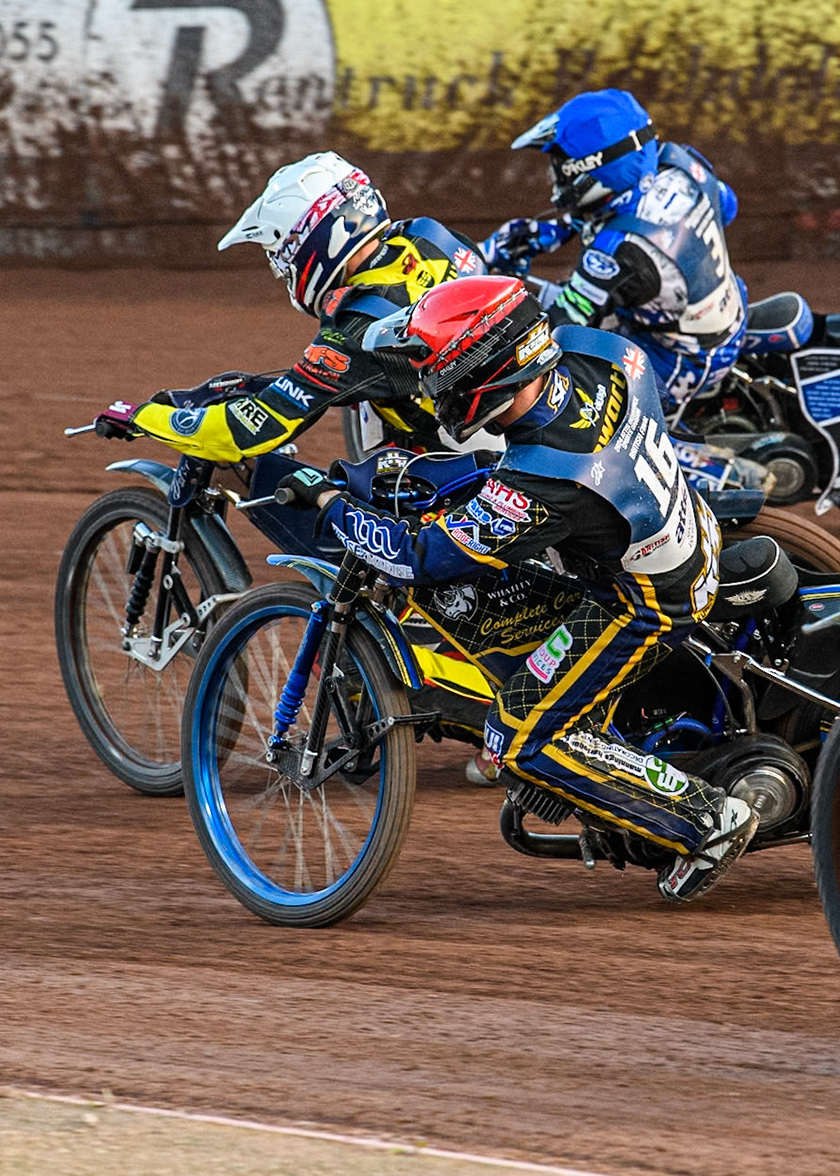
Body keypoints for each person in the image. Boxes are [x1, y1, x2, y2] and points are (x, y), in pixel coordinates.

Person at [282, 273, 759, 903]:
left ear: (484, 379)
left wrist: (331, 506)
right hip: (682, 521)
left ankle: (705, 822)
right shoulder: (600, 354)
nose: (433, 389)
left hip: (645, 600)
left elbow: (417, 557)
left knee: (516, 734)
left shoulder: (542, 483)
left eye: (442, 376)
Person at [94, 151, 493, 460]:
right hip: (525, 410)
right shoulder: (430, 239)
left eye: (280, 251)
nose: (281, 265)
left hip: (472, 463)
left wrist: (143, 417)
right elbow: (361, 374)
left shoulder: (360, 324)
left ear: (317, 238)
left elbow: (244, 432)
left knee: (334, 502)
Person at [486, 90, 752, 447]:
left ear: (591, 169)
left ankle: (681, 461)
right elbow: (727, 206)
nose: (555, 179)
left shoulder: (618, 250)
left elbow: (561, 323)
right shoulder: (681, 162)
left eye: (560, 168)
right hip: (722, 305)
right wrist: (558, 230)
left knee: (578, 396)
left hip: (682, 358)